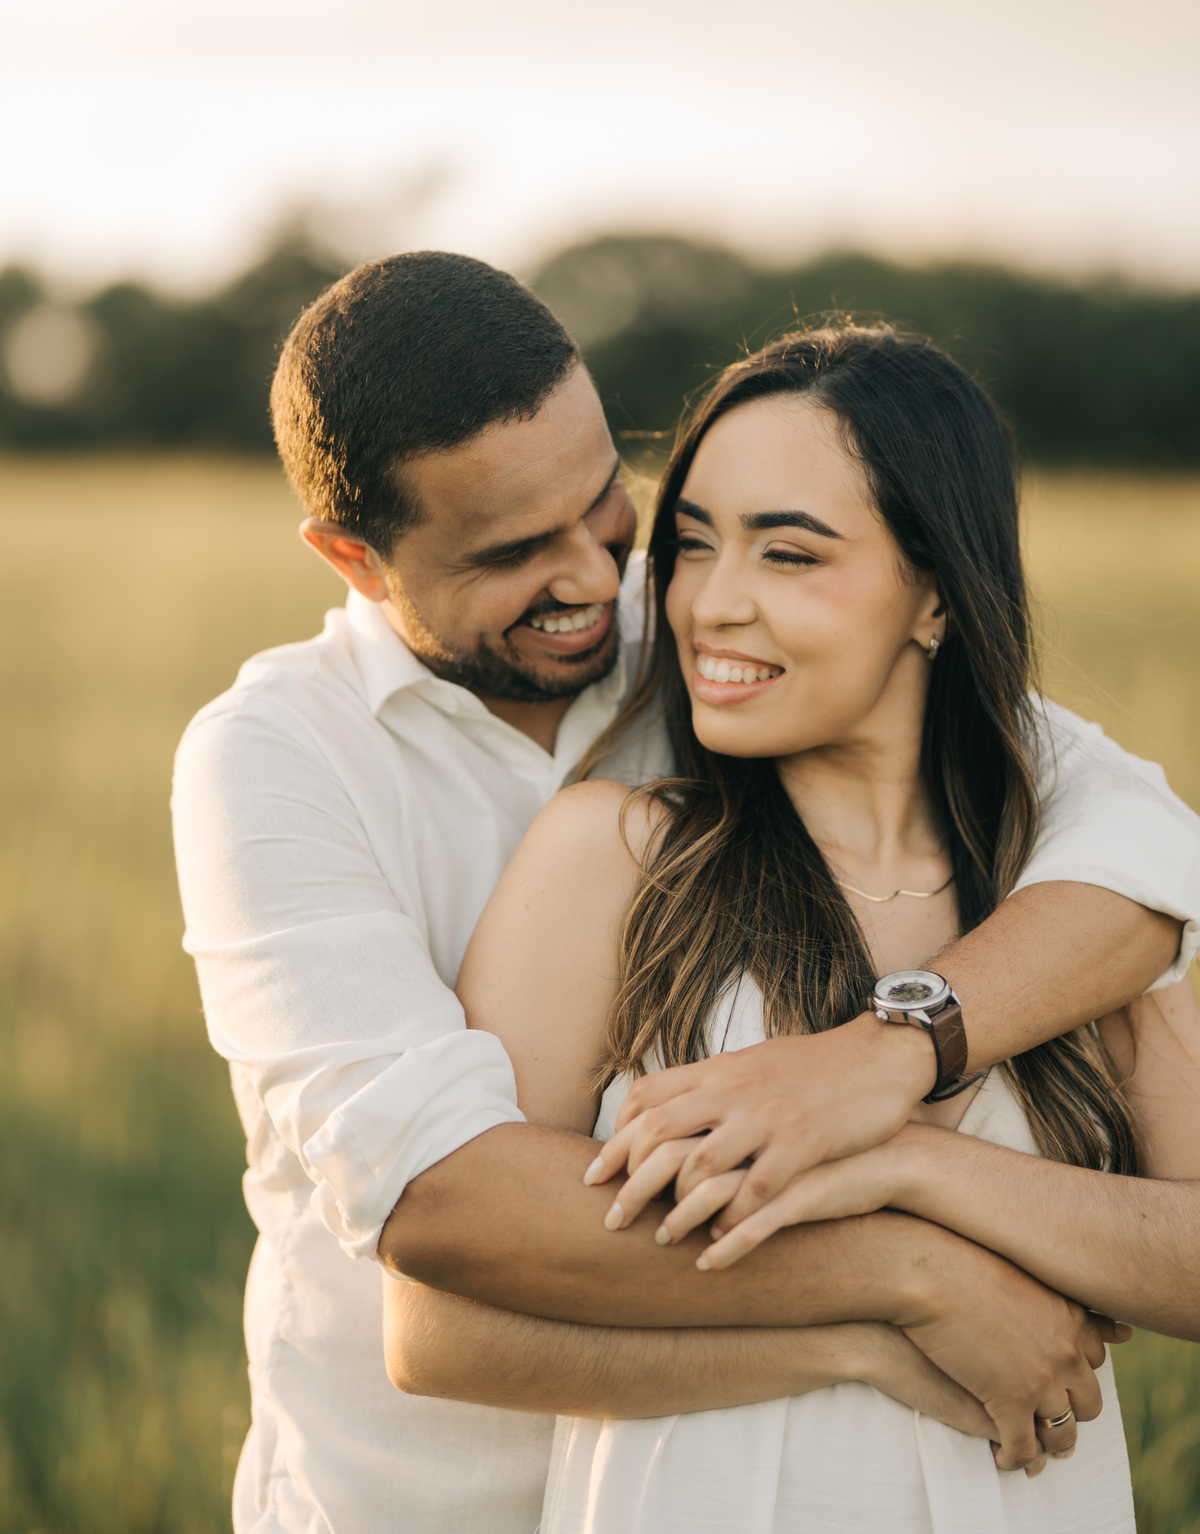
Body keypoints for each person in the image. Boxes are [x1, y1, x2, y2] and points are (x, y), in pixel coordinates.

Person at [172, 254, 1197, 1534]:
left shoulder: (718, 644)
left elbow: (1140, 839)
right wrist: (906, 1280)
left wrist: (890, 1058)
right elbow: (446, 1203)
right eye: (511, 551)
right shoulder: (280, 756)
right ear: (354, 556)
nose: (607, 580)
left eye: (611, 503)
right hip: (420, 1495)